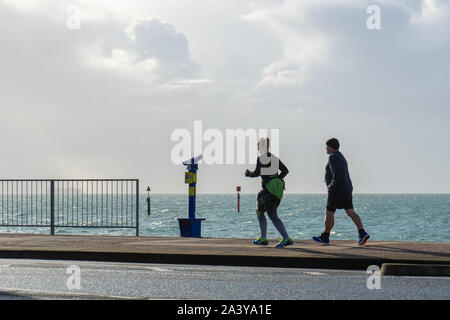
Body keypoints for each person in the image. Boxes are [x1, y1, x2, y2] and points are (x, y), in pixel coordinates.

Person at [313, 138, 370, 245]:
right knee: (350, 211)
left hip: (337, 190)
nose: (325, 148)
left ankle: (325, 236)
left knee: (329, 212)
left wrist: (332, 186)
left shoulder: (333, 157)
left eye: (326, 146)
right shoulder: (341, 156)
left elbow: (337, 173)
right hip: (346, 188)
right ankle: (362, 232)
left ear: (331, 146)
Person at [245, 137, 293, 248]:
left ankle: (267, 238)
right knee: (272, 214)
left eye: (257, 145)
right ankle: (283, 238)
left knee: (260, 212)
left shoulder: (261, 158)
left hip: (267, 190)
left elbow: (256, 173)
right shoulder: (274, 158)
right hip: (277, 190)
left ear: (259, 146)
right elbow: (285, 170)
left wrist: (248, 173)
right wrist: (277, 179)